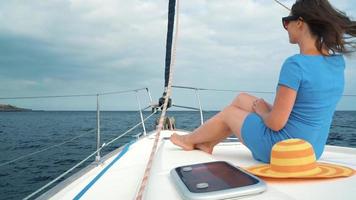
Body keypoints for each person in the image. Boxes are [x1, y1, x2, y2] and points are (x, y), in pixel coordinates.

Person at [170, 0, 356, 163]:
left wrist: (262, 111)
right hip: (312, 151)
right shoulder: (337, 63)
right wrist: (265, 111)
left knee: (229, 113)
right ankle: (208, 143)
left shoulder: (296, 64)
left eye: (286, 22)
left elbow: (275, 124)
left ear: (300, 23)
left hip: (284, 151)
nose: (286, 27)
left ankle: (189, 141)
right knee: (242, 98)